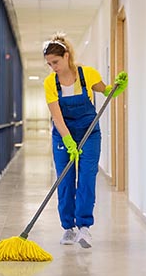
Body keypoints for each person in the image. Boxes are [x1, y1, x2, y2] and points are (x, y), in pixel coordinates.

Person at [43, 33, 128, 248]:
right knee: (65, 179)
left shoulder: (87, 74)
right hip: (64, 135)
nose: (53, 67)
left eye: (56, 62)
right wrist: (68, 141)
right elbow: (57, 117)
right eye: (49, 64)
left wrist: (117, 87)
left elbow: (106, 90)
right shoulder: (50, 83)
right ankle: (68, 229)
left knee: (87, 177)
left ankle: (84, 228)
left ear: (66, 55)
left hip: (89, 133)